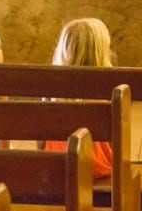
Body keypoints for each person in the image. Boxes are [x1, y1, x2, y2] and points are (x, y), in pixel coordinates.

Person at [44, 17, 114, 178]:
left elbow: (42, 140)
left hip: (57, 165)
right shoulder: (107, 88)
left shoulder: (49, 86)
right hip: (96, 168)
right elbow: (115, 140)